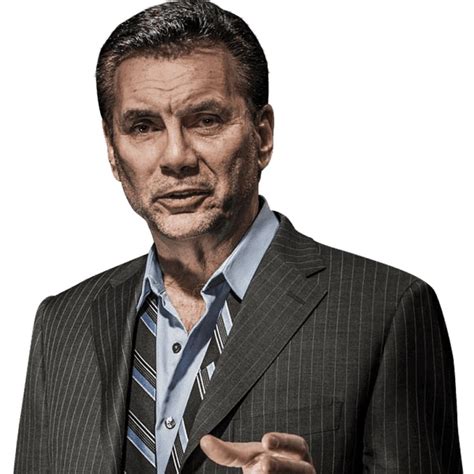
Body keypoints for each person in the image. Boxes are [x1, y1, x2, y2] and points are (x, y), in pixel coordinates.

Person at [14, 1, 463, 473]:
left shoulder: (385, 310)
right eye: (143, 127)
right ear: (112, 151)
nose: (176, 157)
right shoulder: (61, 325)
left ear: (262, 135)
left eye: (206, 120)